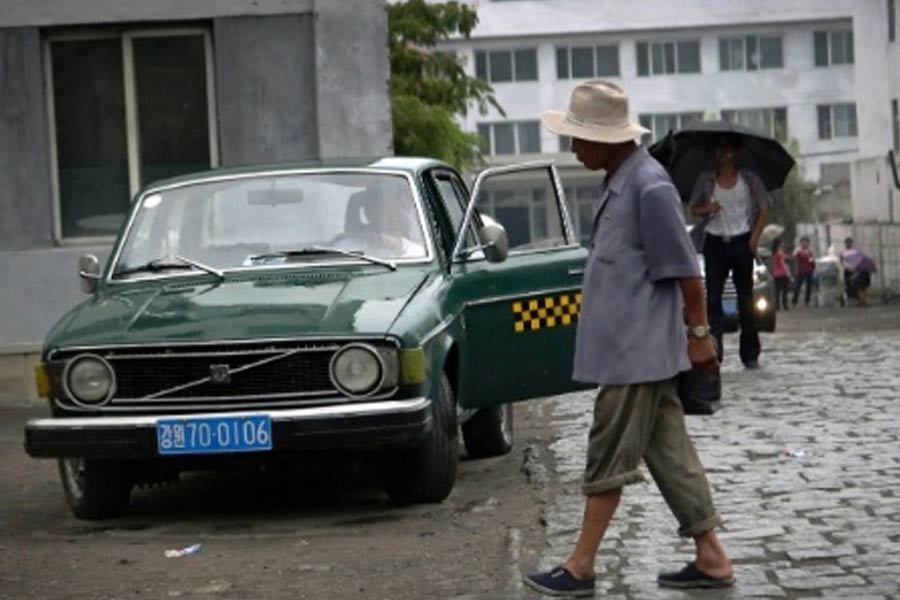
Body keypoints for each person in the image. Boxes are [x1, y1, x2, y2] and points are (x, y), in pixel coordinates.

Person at [524, 80, 733, 597]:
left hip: (635, 355)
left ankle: (580, 566)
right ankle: (711, 557)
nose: (572, 147)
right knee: (671, 456)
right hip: (633, 352)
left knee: (607, 456)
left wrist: (700, 335)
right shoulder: (621, 180)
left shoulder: (649, 186)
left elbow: (687, 272)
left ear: (608, 138)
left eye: (578, 137)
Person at [689, 135, 770, 369]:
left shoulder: (749, 180)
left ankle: (750, 354)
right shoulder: (706, 180)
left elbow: (763, 210)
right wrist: (708, 208)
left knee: (746, 300)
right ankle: (714, 351)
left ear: (737, 153)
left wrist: (753, 241)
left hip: (742, 242)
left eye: (730, 149)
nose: (725, 154)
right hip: (714, 243)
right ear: (714, 154)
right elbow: (694, 208)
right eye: (720, 149)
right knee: (713, 300)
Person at [840, 237, 872, 306]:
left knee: (858, 286)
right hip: (848, 271)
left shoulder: (855, 251)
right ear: (845, 244)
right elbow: (841, 261)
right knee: (849, 285)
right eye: (847, 243)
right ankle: (853, 299)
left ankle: (860, 300)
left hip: (855, 270)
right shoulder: (843, 252)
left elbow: (859, 260)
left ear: (851, 243)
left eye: (849, 243)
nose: (848, 244)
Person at [791, 236, 816, 307]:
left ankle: (807, 301)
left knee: (809, 286)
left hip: (809, 270)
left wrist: (812, 264)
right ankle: (794, 300)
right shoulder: (798, 250)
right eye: (803, 242)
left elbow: (812, 259)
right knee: (798, 286)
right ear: (801, 243)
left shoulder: (810, 250)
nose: (805, 243)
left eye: (806, 242)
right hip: (801, 270)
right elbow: (793, 257)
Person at [771, 238, 791, 311]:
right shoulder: (781, 253)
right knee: (784, 290)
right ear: (779, 245)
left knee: (777, 291)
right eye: (782, 243)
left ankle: (777, 306)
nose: (783, 244)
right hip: (783, 274)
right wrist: (788, 273)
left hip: (776, 274)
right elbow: (783, 264)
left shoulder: (774, 253)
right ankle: (785, 304)